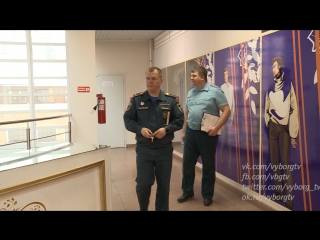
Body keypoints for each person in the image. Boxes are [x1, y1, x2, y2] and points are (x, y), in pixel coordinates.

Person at [123, 66, 184, 211]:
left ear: (161, 80)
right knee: (143, 184)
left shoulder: (171, 100)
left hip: (164, 149)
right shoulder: (137, 100)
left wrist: (167, 129)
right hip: (144, 149)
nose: (150, 81)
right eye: (147, 78)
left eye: (154, 79)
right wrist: (140, 129)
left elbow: (180, 120)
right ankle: (143, 208)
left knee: (164, 186)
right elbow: (128, 119)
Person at [177, 66, 231, 206]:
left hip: (207, 135)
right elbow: (187, 113)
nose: (191, 78)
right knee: (187, 164)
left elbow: (226, 111)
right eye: (191, 75)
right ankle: (187, 191)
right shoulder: (191, 93)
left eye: (193, 75)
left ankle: (207, 195)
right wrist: (183, 131)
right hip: (191, 133)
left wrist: (217, 128)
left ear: (202, 77)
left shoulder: (215, 92)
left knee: (208, 166)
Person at [264, 56, 299, 210]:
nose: (273, 69)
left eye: (275, 66)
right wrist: (270, 123)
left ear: (281, 67)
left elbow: (294, 109)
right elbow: (266, 109)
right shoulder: (269, 88)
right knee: (274, 161)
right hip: (273, 129)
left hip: (284, 130)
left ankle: (289, 196)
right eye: (272, 67)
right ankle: (278, 190)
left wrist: (293, 134)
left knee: (285, 163)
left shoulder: (289, 86)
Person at [220, 67, 235, 176]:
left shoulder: (232, 88)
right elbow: (220, 104)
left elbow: (233, 104)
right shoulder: (221, 88)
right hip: (222, 119)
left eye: (227, 74)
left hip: (229, 119)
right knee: (222, 144)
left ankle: (229, 166)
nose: (225, 76)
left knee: (229, 145)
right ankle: (221, 163)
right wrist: (221, 121)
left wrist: (231, 120)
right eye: (224, 74)